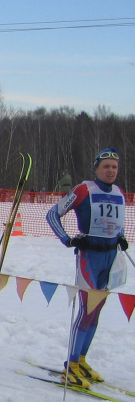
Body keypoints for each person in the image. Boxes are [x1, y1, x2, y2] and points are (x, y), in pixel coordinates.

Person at [46, 148, 127, 387]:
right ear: (96, 169)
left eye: (114, 167)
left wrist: (120, 237)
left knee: (97, 311)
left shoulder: (119, 192)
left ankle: (81, 360)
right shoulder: (83, 189)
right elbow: (53, 214)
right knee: (85, 310)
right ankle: (70, 365)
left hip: (110, 259)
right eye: (106, 167)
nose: (110, 170)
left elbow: (116, 223)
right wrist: (68, 239)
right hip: (89, 257)